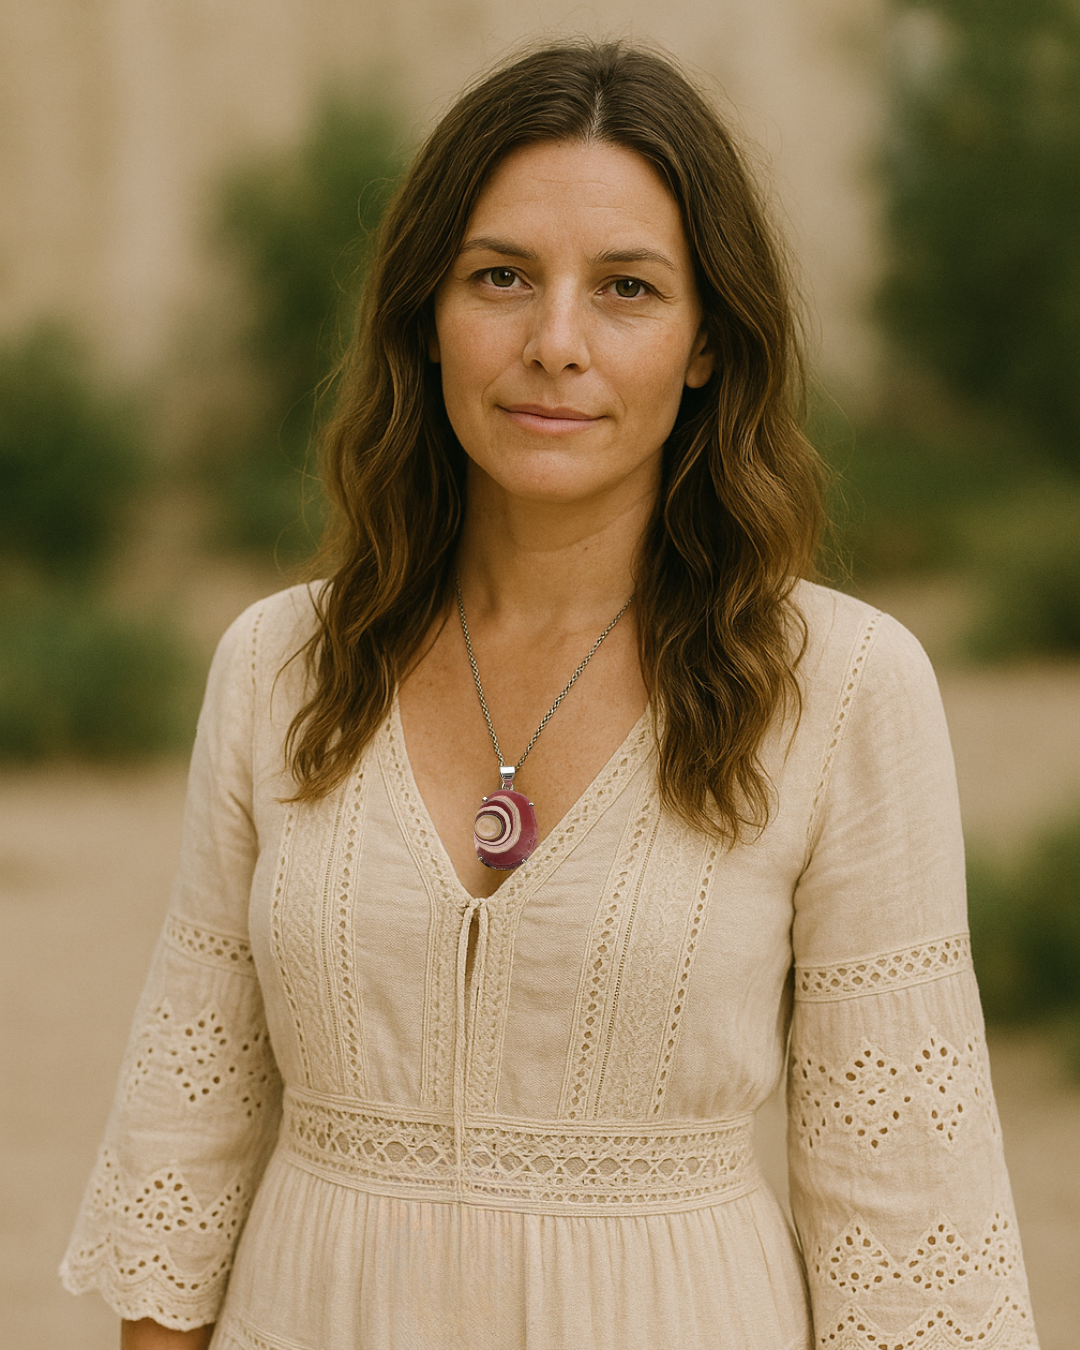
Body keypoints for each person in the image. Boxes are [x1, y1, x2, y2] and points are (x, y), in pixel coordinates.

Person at [62, 39, 1040, 1350]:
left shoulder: (843, 688)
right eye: (501, 277)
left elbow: (910, 1225)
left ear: (707, 345)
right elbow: (185, 1152)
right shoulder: (279, 666)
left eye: (628, 287)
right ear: (427, 312)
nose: (555, 342)